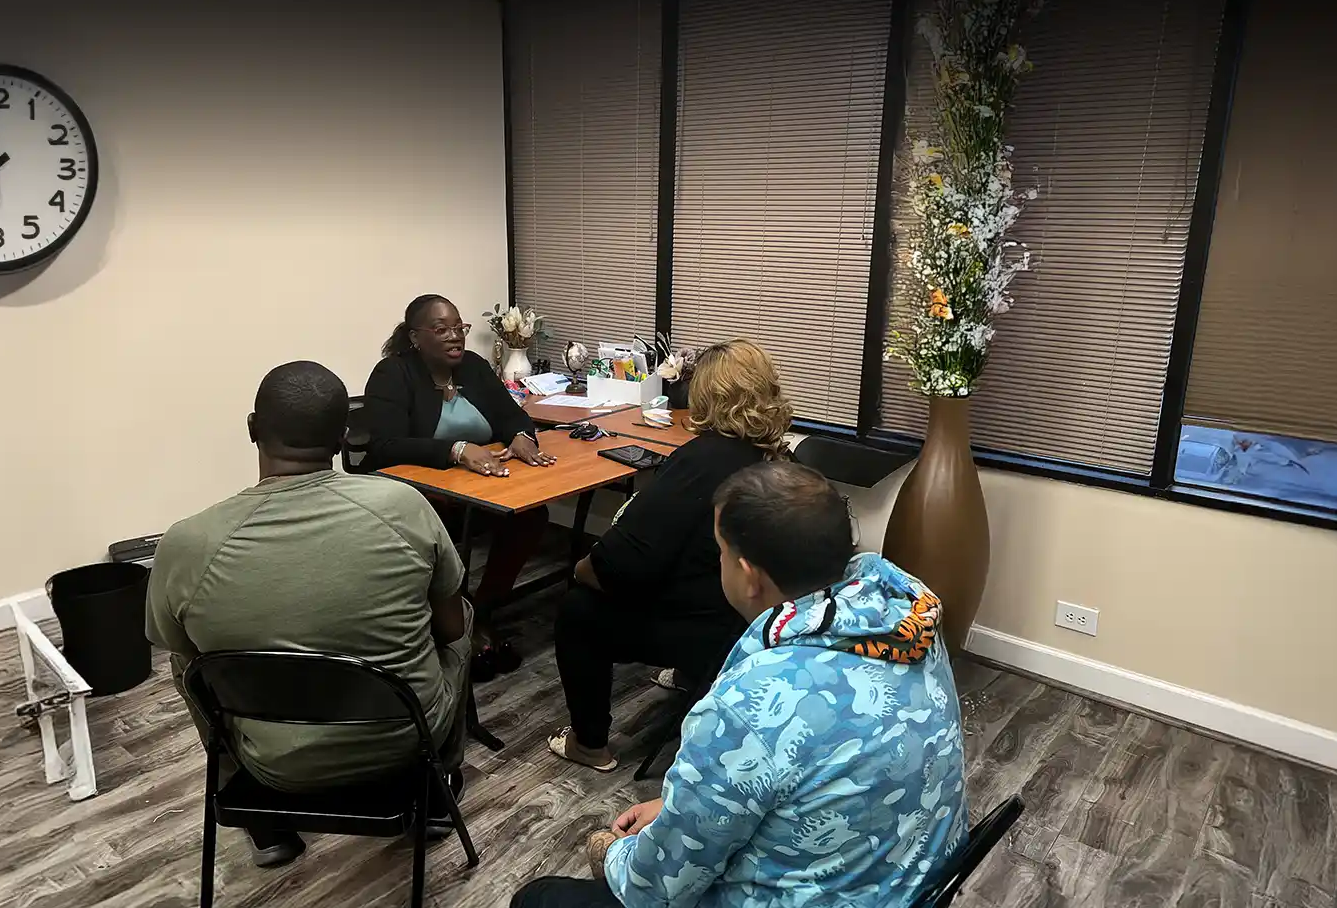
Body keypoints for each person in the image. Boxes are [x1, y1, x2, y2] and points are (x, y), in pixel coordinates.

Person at [513, 461, 971, 907]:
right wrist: (679, 808)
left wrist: (612, 851)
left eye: (721, 552)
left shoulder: (747, 703)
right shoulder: (906, 620)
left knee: (538, 896)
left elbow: (654, 892)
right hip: (912, 882)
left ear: (749, 577)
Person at [146, 361, 471, 870]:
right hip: (407, 741)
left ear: (252, 429)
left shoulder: (185, 543)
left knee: (187, 664)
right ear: (343, 439)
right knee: (462, 617)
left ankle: (265, 825)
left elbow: (185, 652)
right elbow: (449, 629)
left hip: (273, 762)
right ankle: (434, 792)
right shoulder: (404, 505)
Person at [546, 339, 792, 772]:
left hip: (710, 631)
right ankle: (689, 676)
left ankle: (589, 744)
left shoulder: (704, 459)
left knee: (578, 610)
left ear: (708, 396)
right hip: (749, 622)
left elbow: (624, 562)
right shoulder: (777, 456)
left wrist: (584, 569)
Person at [361, 294, 555, 681]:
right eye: (441, 329)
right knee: (443, 531)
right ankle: (451, 624)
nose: (455, 336)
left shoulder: (474, 367)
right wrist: (457, 449)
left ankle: (481, 611)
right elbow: (384, 446)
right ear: (415, 337)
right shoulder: (393, 374)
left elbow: (512, 414)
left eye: (459, 327)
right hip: (414, 492)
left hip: (477, 488)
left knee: (532, 516)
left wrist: (521, 435)